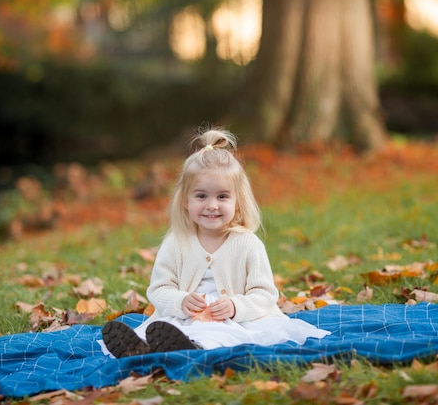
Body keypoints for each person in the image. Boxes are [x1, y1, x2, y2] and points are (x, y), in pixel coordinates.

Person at [101, 128, 330, 358]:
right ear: (185, 202)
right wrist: (181, 302)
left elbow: (265, 293)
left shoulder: (248, 244)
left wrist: (235, 306)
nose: (212, 205)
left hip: (233, 320)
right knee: (163, 330)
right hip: (185, 317)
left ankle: (194, 349)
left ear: (238, 202)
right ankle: (140, 348)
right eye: (201, 196)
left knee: (218, 335)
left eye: (222, 196)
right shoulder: (176, 242)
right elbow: (159, 289)